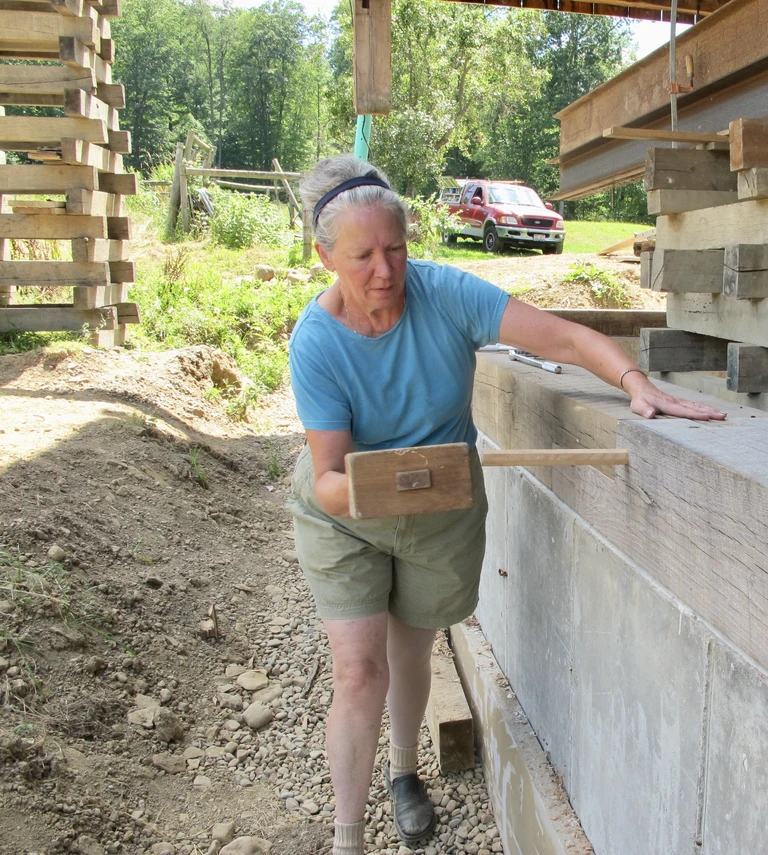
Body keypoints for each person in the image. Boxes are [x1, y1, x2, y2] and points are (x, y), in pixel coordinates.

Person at [287, 154, 726, 854]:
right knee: (358, 667)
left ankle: (404, 774)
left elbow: (567, 337)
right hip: (350, 511)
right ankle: (347, 838)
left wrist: (638, 384)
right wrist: (404, 479)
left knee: (411, 647)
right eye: (362, 255)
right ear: (324, 257)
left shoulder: (446, 294)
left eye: (395, 248)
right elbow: (330, 477)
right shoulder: (317, 343)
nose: (384, 270)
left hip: (441, 508)